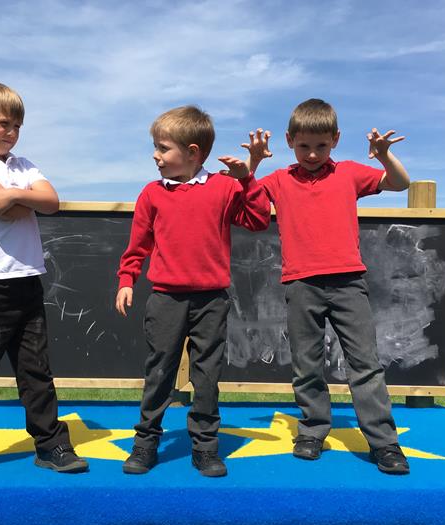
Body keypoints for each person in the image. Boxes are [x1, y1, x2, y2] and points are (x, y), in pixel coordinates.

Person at [245, 98, 412, 474]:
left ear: (335, 140)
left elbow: (400, 184)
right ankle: (311, 432)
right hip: (301, 283)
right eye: (304, 145)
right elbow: (241, 198)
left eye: (321, 145)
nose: (312, 154)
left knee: (365, 363)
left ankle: (384, 443)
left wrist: (384, 156)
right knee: (307, 364)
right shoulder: (278, 180)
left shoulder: (350, 173)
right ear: (289, 141)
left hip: (348, 282)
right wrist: (254, 163)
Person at [0, 80, 88, 480]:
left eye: (17, 127)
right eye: (3, 123)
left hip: (28, 283)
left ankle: (50, 443)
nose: (11, 133)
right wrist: (22, 198)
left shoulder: (23, 166)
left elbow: (52, 202)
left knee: (36, 371)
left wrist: (15, 194)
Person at [116, 105, 270, 477]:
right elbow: (138, 245)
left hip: (211, 301)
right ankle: (146, 443)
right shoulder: (152, 194)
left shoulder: (223, 187)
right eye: (155, 147)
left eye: (163, 148)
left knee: (206, 375)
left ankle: (205, 447)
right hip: (166, 298)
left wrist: (247, 179)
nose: (156, 156)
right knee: (159, 372)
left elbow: (258, 219)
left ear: (192, 152)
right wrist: (126, 280)